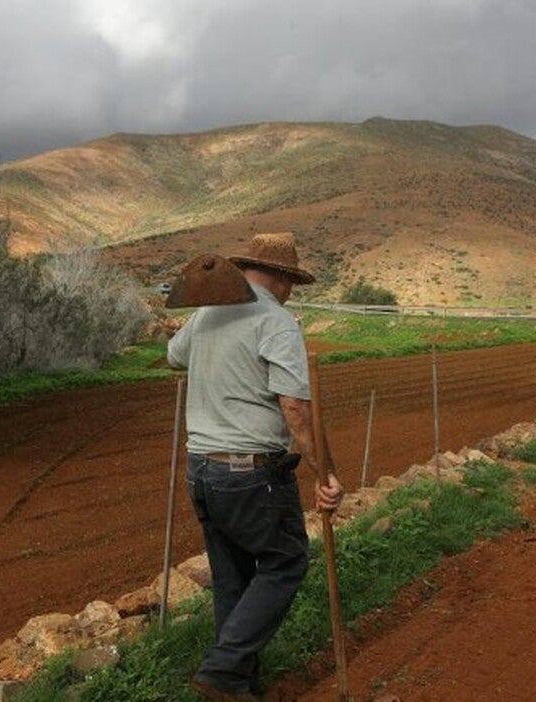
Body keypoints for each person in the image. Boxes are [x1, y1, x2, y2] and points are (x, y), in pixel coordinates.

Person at [167, 232, 344, 702]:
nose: (289, 293)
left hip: (202, 469)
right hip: (250, 473)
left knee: (232, 578)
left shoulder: (206, 314)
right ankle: (224, 672)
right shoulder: (277, 320)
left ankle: (238, 682)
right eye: (290, 284)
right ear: (282, 278)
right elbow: (296, 409)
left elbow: (171, 358)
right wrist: (324, 475)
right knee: (286, 561)